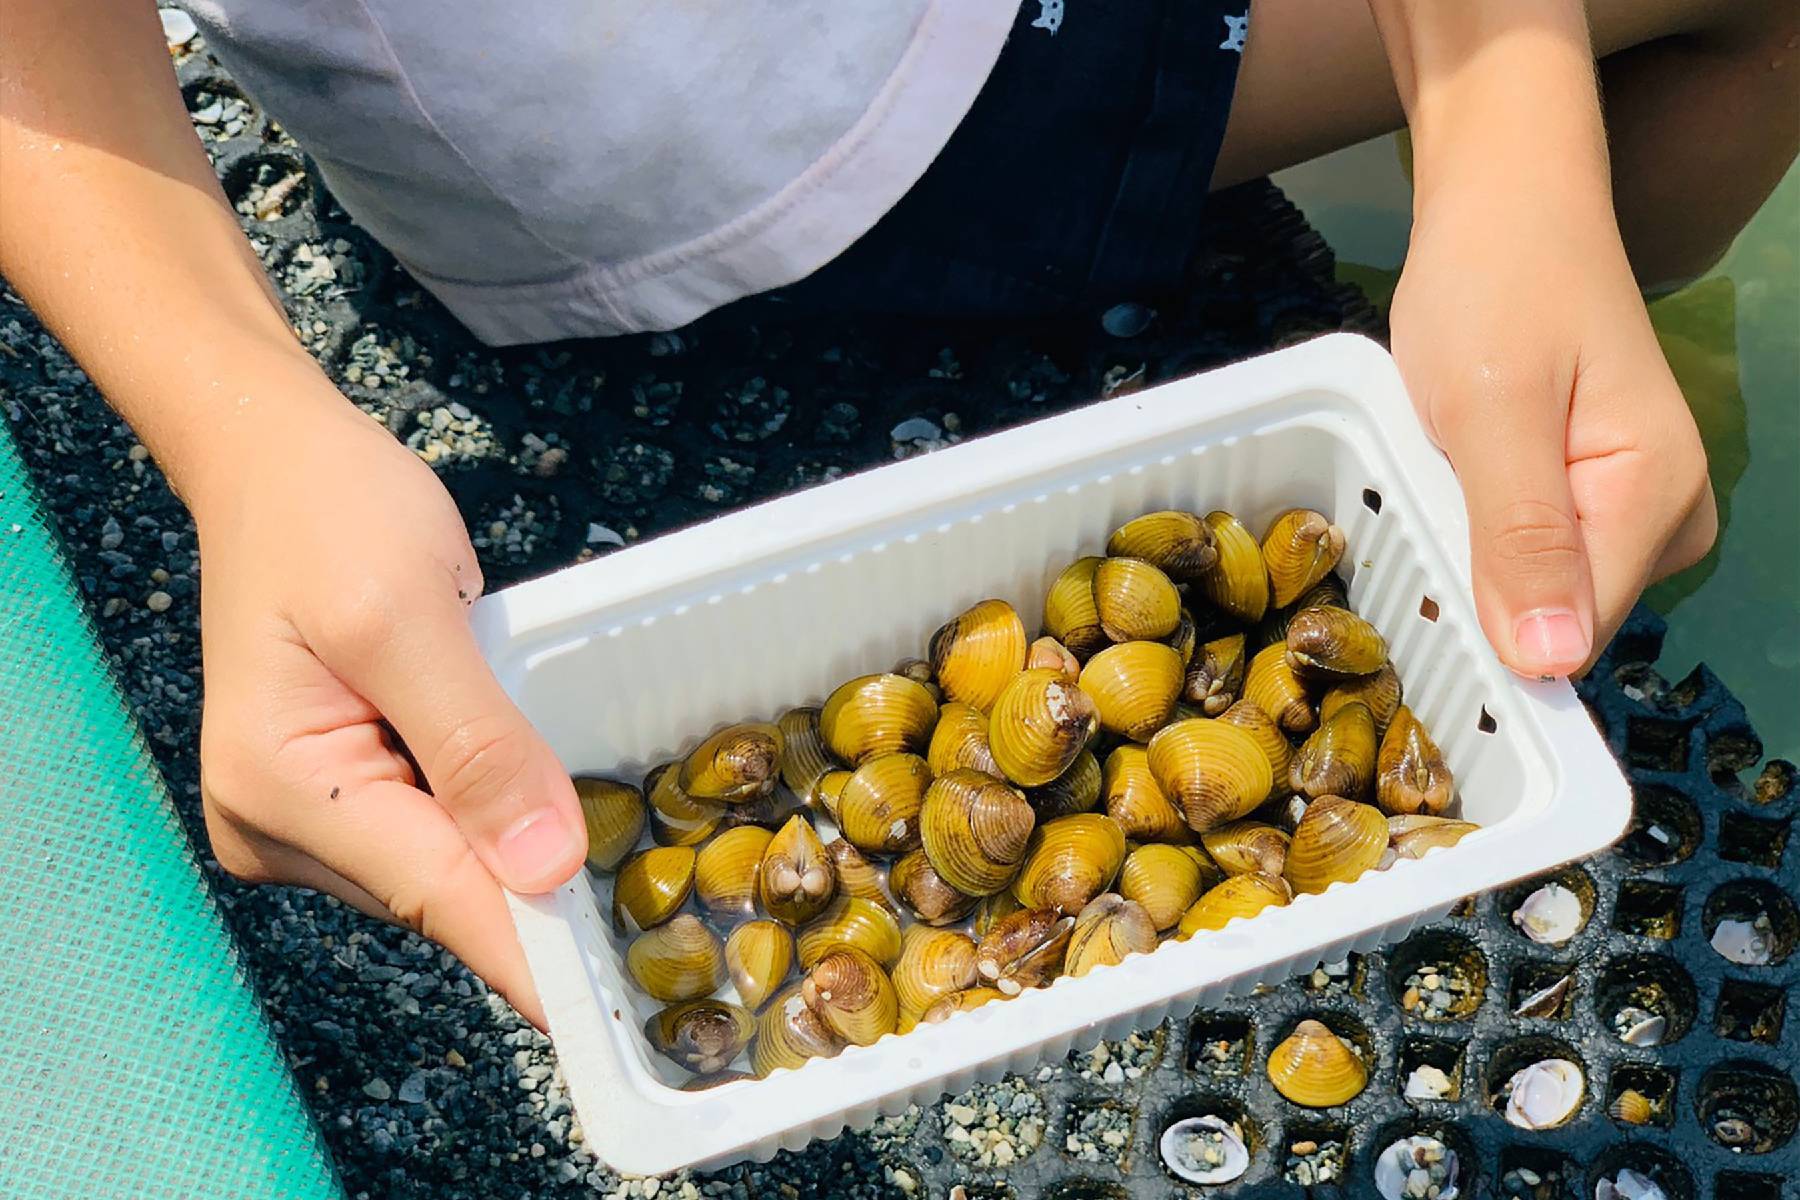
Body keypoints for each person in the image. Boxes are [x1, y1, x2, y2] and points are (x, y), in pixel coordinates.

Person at [3, 0, 1792, 1028]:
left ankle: (1540, 330)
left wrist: (1505, 137)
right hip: (805, 114)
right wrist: (240, 431)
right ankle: (1610, 340)